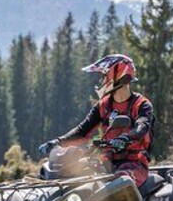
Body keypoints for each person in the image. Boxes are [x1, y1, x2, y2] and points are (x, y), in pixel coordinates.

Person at [38, 54, 154, 188]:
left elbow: (141, 127)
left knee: (121, 183)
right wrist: (58, 142)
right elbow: (82, 131)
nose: (101, 81)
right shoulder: (103, 105)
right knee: (76, 175)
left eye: (103, 76)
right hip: (107, 163)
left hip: (134, 164)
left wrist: (125, 138)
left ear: (117, 75)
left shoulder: (141, 105)